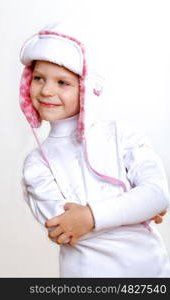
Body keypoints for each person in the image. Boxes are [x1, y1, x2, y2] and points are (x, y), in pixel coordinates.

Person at [19, 20, 170, 277]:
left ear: (87, 88)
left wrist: (90, 216)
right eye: (39, 78)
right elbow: (64, 228)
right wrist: (134, 209)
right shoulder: (37, 162)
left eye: (62, 82)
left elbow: (157, 194)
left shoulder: (122, 136)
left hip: (153, 273)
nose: (46, 90)